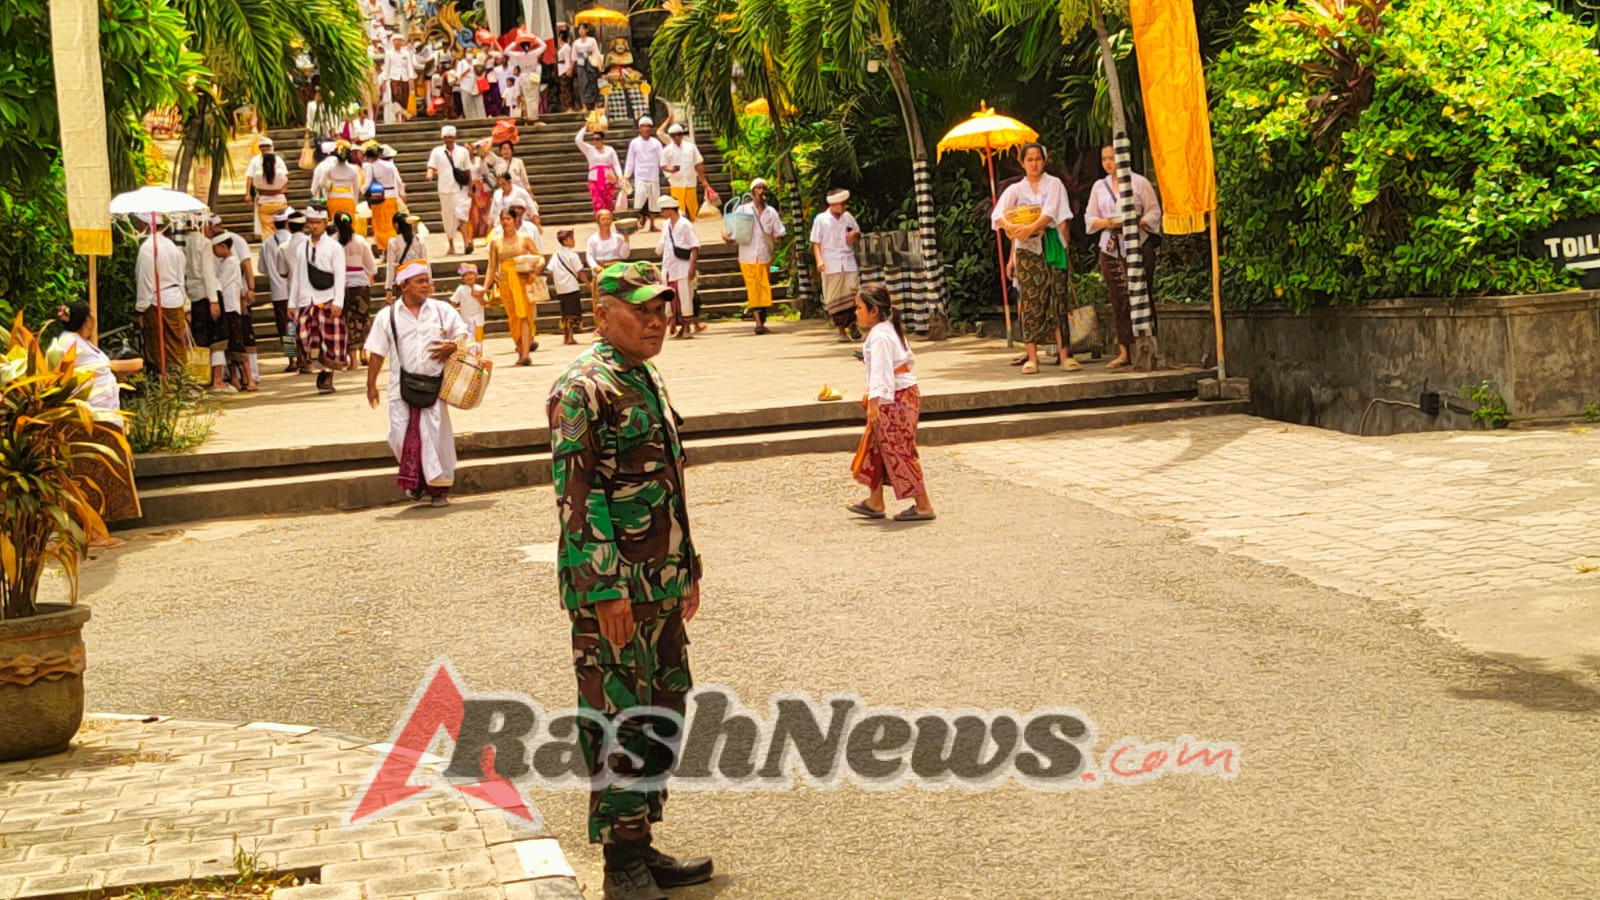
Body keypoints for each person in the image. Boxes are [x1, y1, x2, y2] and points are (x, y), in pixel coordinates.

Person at [545, 260, 712, 900]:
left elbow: (667, 480)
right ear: (602, 313)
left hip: (662, 584)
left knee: (664, 709)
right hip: (614, 591)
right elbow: (577, 496)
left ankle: (642, 842)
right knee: (619, 718)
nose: (655, 319)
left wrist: (688, 567)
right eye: (640, 309)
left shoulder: (643, 377)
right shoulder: (581, 387)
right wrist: (605, 586)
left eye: (661, 307)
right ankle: (621, 866)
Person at [366, 261, 469, 508]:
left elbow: (464, 334)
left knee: (435, 437)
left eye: (428, 281)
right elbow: (377, 353)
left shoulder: (442, 310)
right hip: (400, 388)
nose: (427, 286)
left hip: (435, 387)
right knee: (399, 436)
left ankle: (438, 489)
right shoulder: (387, 316)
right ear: (403, 286)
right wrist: (371, 385)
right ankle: (416, 480)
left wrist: (454, 345)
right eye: (420, 281)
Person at [51, 302, 143, 537]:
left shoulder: (79, 342)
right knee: (91, 475)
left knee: (105, 473)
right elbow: (59, 376)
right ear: (86, 322)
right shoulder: (66, 344)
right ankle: (90, 532)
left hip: (102, 416)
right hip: (86, 419)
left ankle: (98, 530)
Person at [847, 283, 935, 522]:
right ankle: (875, 501)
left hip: (895, 398)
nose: (856, 313)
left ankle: (923, 504)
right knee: (877, 445)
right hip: (900, 393)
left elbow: (882, 372)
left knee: (899, 449)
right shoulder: (889, 330)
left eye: (859, 308)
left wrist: (876, 402)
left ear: (873, 310)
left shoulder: (880, 336)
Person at [993, 142, 1078, 374]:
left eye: (1038, 159)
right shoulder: (1015, 190)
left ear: (1045, 159)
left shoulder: (1054, 184)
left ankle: (1064, 354)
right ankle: (1032, 357)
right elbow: (998, 215)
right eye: (1029, 159)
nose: (1034, 164)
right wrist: (1012, 226)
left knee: (1057, 300)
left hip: (1051, 243)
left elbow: (1051, 212)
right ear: (1022, 163)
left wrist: (1030, 228)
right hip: (1026, 250)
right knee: (1030, 303)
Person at [1086, 144, 1163, 369]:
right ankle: (1124, 351)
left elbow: (1154, 212)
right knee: (1118, 298)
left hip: (1137, 244)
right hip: (1111, 247)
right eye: (1104, 159)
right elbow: (1090, 219)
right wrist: (1110, 222)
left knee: (1142, 294)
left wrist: (1134, 222)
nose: (1109, 163)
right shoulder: (1099, 187)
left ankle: (1148, 347)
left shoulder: (1139, 183)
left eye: (1113, 158)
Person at [289, 208, 348, 394]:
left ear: (325, 223)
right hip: (308, 298)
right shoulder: (301, 247)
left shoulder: (334, 247)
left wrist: (338, 301)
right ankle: (318, 367)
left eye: (318, 222)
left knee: (330, 340)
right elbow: (297, 275)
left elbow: (340, 276)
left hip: (328, 297)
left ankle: (327, 373)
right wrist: (292, 302)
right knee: (307, 337)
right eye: (311, 222)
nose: (314, 226)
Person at [723, 178, 785, 335]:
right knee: (753, 289)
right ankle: (758, 322)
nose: (761, 191)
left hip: (764, 255)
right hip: (747, 255)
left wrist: (778, 236)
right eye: (758, 188)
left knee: (763, 288)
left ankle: (761, 320)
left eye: (763, 188)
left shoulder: (771, 212)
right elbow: (729, 229)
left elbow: (779, 230)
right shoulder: (743, 210)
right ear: (752, 192)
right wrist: (727, 237)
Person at [485, 208, 544, 366]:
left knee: (524, 315)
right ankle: (520, 350)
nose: (505, 222)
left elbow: (540, 257)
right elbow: (491, 267)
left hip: (523, 280)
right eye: (503, 219)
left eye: (508, 219)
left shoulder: (524, 238)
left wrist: (536, 269)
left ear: (515, 220)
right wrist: (485, 288)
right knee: (514, 318)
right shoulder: (495, 243)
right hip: (506, 284)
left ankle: (525, 354)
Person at [135, 218, 188, 376]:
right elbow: (180, 276)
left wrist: (139, 310)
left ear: (146, 225)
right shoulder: (172, 246)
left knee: (159, 349)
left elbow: (145, 281)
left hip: (158, 302)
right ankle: (179, 383)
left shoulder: (148, 249)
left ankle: (168, 384)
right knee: (176, 346)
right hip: (175, 298)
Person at [180, 218, 227, 390]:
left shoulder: (184, 243)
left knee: (199, 338)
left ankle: (199, 379)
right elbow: (207, 272)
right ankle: (217, 379)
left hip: (193, 294)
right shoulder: (204, 243)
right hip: (208, 293)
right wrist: (213, 300)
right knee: (217, 339)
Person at [811, 189, 862, 342]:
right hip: (831, 262)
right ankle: (840, 329)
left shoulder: (847, 217)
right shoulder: (821, 219)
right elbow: (816, 242)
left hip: (847, 260)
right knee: (834, 298)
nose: (844, 207)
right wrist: (819, 260)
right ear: (833, 204)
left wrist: (853, 235)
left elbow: (858, 231)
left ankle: (853, 324)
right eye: (841, 204)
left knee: (853, 291)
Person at [212, 232, 258, 391]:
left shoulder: (231, 263)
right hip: (229, 306)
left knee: (238, 343)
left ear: (224, 247)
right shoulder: (227, 262)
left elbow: (221, 283)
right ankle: (236, 378)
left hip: (232, 307)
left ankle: (250, 378)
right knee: (230, 344)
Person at [335, 212, 378, 367]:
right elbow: (371, 265)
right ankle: (363, 351)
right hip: (361, 283)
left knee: (347, 320)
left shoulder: (333, 242)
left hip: (341, 283)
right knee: (362, 318)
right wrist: (368, 273)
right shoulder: (360, 240)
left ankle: (352, 359)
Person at [427, 125, 475, 254]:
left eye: (450, 137)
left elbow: (468, 170)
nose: (448, 140)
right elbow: (431, 166)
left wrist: (471, 187)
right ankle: (451, 245)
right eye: (446, 137)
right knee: (448, 218)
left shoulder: (463, 152)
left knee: (462, 215)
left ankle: (466, 243)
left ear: (455, 137)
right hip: (445, 189)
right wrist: (430, 174)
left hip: (460, 189)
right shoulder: (437, 152)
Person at [656, 196, 699, 338]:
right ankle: (679, 325)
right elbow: (663, 245)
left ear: (670, 209)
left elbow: (694, 246)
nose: (662, 212)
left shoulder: (684, 224)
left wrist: (692, 267)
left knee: (685, 297)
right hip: (670, 266)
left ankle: (687, 327)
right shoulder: (667, 225)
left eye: (664, 209)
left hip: (683, 267)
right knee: (674, 299)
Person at [661, 124, 712, 221]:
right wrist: (671, 169)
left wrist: (704, 181)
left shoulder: (691, 147)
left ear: (682, 135)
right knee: (679, 212)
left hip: (690, 183)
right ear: (670, 136)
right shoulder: (667, 150)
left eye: (679, 134)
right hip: (676, 184)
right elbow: (663, 166)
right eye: (673, 135)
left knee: (691, 211)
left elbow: (698, 164)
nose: (676, 137)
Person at [283, 210, 314, 373]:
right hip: (311, 290)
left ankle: (292, 359)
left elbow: (282, 271)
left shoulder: (284, 247)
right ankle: (309, 359)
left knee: (290, 328)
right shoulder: (311, 244)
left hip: (291, 292)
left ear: (288, 226)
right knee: (309, 326)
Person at [549, 229, 590, 344]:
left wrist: (559, 278)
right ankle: (571, 336)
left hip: (560, 288)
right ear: (566, 240)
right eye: (571, 238)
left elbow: (551, 271)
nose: (573, 241)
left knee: (565, 312)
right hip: (571, 286)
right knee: (573, 312)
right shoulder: (572, 255)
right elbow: (580, 272)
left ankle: (565, 336)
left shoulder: (555, 255)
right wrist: (588, 284)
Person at [244, 136, 289, 238]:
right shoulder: (255, 161)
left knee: (266, 228)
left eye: (267, 146)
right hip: (278, 199)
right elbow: (285, 181)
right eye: (262, 146)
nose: (264, 148)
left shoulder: (258, 175)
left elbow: (254, 181)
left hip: (264, 201)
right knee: (281, 225)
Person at [625, 117, 664, 232]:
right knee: (641, 198)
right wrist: (626, 175)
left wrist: (667, 171)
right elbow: (630, 160)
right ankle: (641, 219)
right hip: (640, 175)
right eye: (644, 126)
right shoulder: (634, 143)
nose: (646, 129)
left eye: (648, 126)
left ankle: (652, 224)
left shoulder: (656, 143)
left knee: (653, 201)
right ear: (640, 128)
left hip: (653, 175)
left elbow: (661, 160)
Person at [577, 125, 624, 217]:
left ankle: (607, 220)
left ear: (602, 140)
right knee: (597, 201)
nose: (595, 141)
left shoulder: (610, 150)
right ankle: (600, 221)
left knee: (608, 201)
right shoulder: (589, 149)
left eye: (597, 139)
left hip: (608, 178)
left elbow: (616, 164)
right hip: (594, 179)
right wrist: (585, 128)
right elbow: (578, 140)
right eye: (593, 139)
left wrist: (620, 177)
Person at [385, 213, 429, 300]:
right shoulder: (419, 240)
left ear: (396, 225)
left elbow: (391, 266)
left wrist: (389, 288)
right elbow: (425, 262)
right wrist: (429, 281)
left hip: (403, 279)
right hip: (418, 277)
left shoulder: (393, 242)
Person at [368, 145, 404, 250]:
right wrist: (401, 193)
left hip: (377, 196)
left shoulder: (371, 167)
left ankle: (385, 248)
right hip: (391, 196)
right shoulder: (391, 167)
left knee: (379, 225)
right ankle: (393, 248)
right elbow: (399, 181)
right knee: (390, 223)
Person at [382, 34, 417, 124]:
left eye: (399, 40)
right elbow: (386, 68)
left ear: (402, 42)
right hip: (394, 78)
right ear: (393, 42)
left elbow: (409, 66)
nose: (397, 42)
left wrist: (411, 79)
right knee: (396, 98)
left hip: (404, 78)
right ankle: (397, 118)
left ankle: (404, 118)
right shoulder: (389, 53)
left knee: (404, 99)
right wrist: (384, 81)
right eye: (395, 40)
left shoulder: (406, 53)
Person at [450, 262, 486, 345]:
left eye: (471, 274)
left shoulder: (480, 288)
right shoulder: (461, 289)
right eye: (465, 275)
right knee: (467, 341)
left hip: (478, 320)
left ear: (476, 276)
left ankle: (478, 356)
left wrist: (479, 297)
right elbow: (454, 302)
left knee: (478, 341)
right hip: (465, 320)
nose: (469, 277)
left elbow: (484, 303)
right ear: (463, 278)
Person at [571, 23, 601, 111]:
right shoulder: (576, 42)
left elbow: (596, 52)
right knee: (583, 83)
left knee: (593, 82)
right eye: (579, 29)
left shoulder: (592, 40)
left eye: (583, 29)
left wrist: (599, 65)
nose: (581, 31)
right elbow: (574, 56)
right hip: (581, 63)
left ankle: (595, 104)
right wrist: (571, 68)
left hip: (590, 61)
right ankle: (584, 105)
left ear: (587, 30)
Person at [556, 30, 576, 112]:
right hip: (561, 68)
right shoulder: (562, 47)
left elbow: (568, 59)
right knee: (564, 89)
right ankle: (568, 106)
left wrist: (569, 69)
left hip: (565, 68)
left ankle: (570, 107)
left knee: (566, 88)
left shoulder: (566, 47)